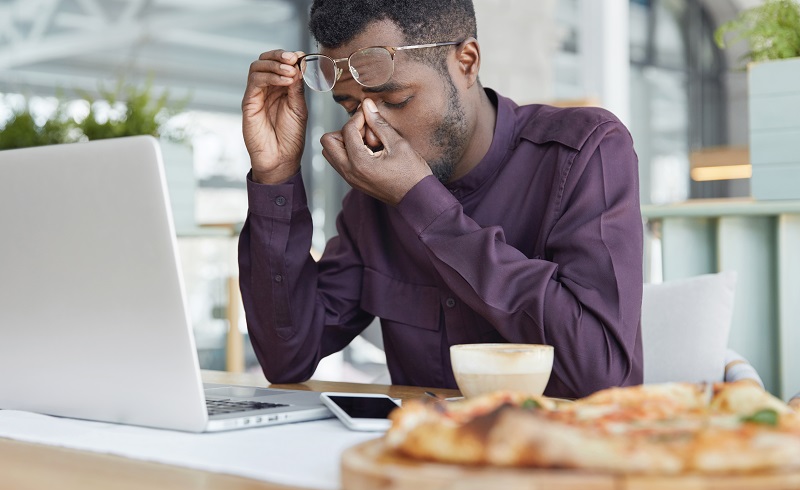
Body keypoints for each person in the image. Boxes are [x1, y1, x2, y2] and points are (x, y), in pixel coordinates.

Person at [239, 0, 643, 399]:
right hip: (423, 454)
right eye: (349, 108)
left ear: (466, 62)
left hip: (565, 455)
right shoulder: (376, 196)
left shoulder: (584, 150)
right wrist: (274, 175)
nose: (371, 132)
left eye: (396, 101)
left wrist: (423, 205)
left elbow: (602, 375)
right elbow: (287, 356)